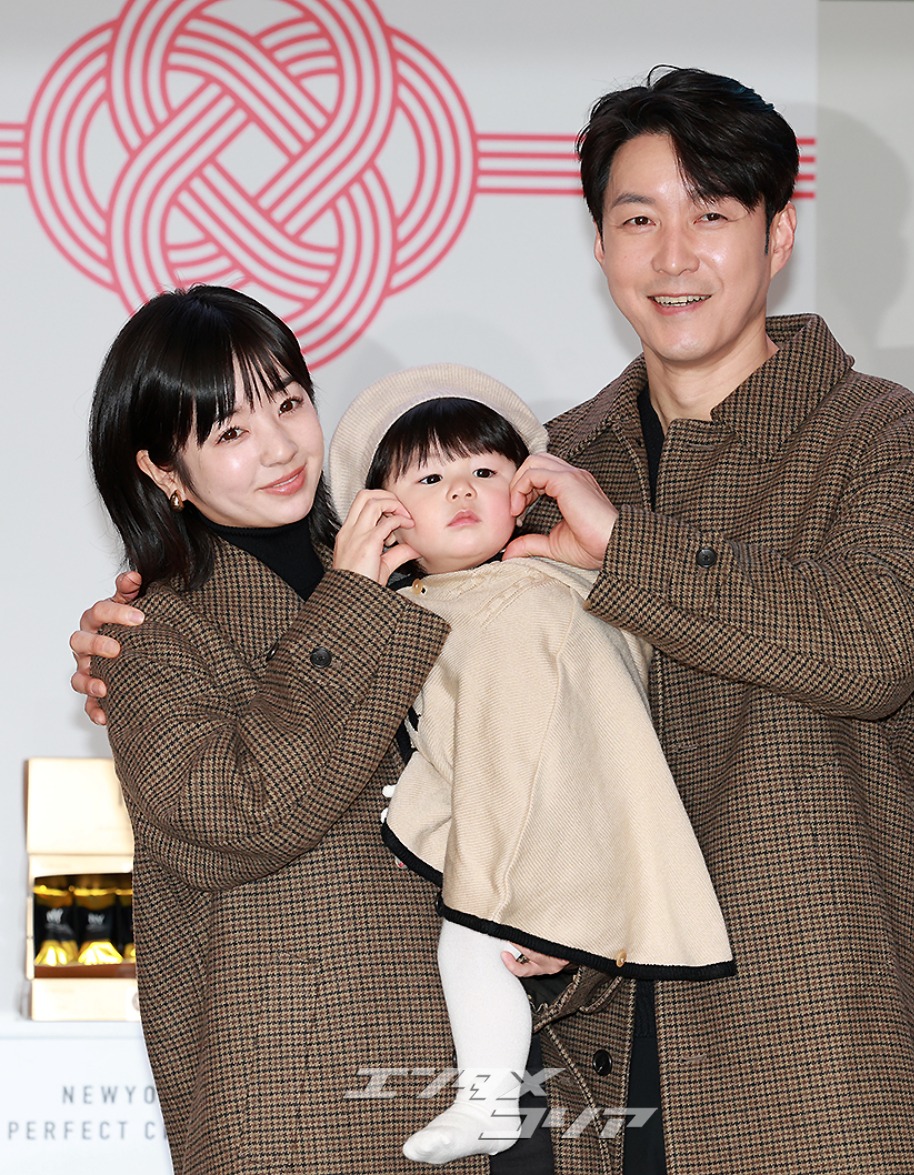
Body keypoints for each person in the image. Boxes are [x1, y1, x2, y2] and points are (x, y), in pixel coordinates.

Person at [72, 65, 914, 1174]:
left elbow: (874, 644)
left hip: (797, 1032)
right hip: (572, 1052)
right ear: (598, 248)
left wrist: (624, 548)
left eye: (710, 214)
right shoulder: (537, 464)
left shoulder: (879, 437)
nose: (673, 255)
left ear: (777, 233)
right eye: (637, 219)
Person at [79, 285, 559, 1175]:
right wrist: (350, 604)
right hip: (297, 1100)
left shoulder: (424, 561)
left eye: (290, 403)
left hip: (488, 1071)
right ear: (163, 470)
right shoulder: (149, 634)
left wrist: (556, 910)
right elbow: (240, 813)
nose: (280, 446)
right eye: (231, 431)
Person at [325, 364, 733, 1165]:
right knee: (467, 943)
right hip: (493, 819)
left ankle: (487, 1097)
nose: (461, 489)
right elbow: (447, 736)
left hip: (567, 818)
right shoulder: (405, 614)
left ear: (523, 491)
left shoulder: (553, 585)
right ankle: (488, 1098)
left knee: (475, 932)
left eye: (485, 470)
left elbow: (589, 720)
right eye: (430, 478)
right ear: (388, 521)